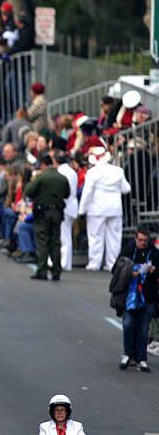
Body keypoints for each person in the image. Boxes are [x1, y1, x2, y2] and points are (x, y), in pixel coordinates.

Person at [79, 147, 131, 271]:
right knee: (114, 237)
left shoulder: (92, 172)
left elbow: (87, 193)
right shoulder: (118, 171)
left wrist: (82, 210)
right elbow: (126, 189)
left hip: (96, 209)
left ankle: (94, 263)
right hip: (115, 209)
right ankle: (112, 263)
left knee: (96, 236)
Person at [118, 226, 159, 371]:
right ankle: (128, 354)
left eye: (145, 241)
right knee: (128, 325)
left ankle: (141, 358)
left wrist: (153, 271)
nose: (143, 243)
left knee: (143, 328)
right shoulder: (128, 250)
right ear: (135, 238)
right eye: (140, 240)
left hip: (147, 296)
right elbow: (116, 269)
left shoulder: (154, 253)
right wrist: (131, 272)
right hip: (129, 295)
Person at [25, 154, 70, 280]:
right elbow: (67, 194)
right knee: (55, 241)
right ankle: (56, 270)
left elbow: (29, 191)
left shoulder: (41, 177)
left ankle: (42, 270)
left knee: (42, 241)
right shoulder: (62, 178)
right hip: (57, 212)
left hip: (43, 212)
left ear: (43, 165)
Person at [58, 153, 79, 271]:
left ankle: (64, 262)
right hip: (72, 205)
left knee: (64, 235)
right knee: (66, 235)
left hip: (64, 205)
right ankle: (65, 262)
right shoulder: (72, 172)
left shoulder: (61, 172)